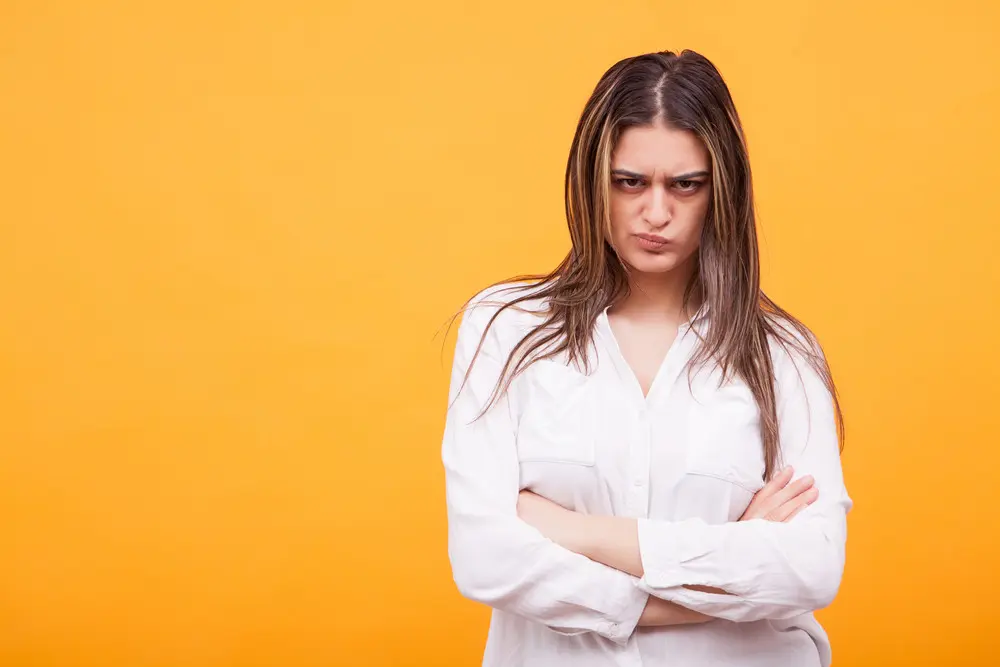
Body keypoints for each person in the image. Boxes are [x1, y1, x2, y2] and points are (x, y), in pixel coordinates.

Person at [440, 49, 851, 667]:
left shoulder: (784, 356)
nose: (656, 213)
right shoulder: (506, 331)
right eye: (630, 181)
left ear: (721, 191)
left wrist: (576, 531)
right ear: (593, 179)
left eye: (685, 185)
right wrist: (729, 565)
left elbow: (811, 568)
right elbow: (484, 558)